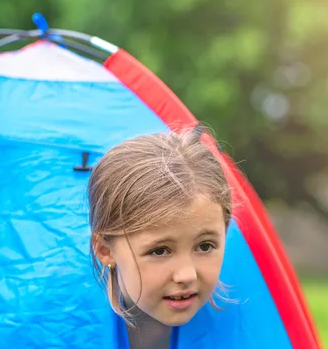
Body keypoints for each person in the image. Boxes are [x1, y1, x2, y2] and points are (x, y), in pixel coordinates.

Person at [88, 131, 232, 349]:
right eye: (160, 251)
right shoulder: (56, 324)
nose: (187, 275)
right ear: (105, 250)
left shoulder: (255, 313)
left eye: (205, 246)